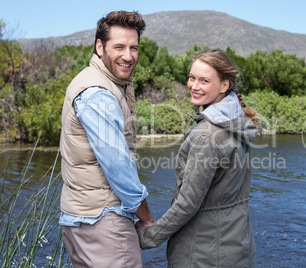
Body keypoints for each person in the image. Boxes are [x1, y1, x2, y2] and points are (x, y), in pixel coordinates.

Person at [137, 50, 259, 267]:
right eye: (192, 77)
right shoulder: (239, 124)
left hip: (203, 253)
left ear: (224, 86)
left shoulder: (206, 136)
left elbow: (187, 204)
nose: (194, 85)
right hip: (238, 248)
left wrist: (148, 237)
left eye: (204, 80)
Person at [59, 11, 153, 267]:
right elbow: (117, 167)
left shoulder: (93, 82)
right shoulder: (98, 93)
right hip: (104, 222)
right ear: (100, 47)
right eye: (119, 46)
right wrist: (145, 216)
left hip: (81, 219)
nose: (128, 55)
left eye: (134, 47)